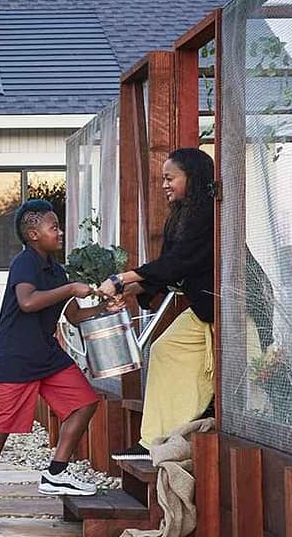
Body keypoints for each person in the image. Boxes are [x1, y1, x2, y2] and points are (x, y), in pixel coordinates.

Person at [0, 199, 124, 533]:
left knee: (84, 403)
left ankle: (56, 472)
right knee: (1, 427)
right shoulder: (25, 264)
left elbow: (73, 315)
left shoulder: (55, 269)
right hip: (15, 357)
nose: (60, 231)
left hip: (47, 356)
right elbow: (28, 302)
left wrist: (102, 310)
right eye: (54, 227)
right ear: (34, 234)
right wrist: (70, 288)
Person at [96, 148, 215, 460]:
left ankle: (200, 415)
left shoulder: (208, 216)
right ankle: (154, 440)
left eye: (170, 178)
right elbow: (167, 269)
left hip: (235, 312)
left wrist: (121, 279)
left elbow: (177, 264)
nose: (165, 185)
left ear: (192, 177)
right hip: (207, 310)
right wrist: (132, 289)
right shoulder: (182, 218)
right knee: (161, 350)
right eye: (163, 178)